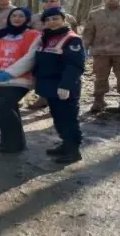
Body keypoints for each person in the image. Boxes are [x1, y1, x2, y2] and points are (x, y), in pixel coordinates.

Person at [0, 7, 42, 153]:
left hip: (19, 80)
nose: (17, 18)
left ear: (27, 19)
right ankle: (11, 142)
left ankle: (13, 145)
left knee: (5, 106)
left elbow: (30, 57)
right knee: (8, 109)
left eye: (21, 16)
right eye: (14, 15)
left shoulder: (34, 35)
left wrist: (10, 73)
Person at [31, 8, 86, 163]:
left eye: (55, 18)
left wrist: (66, 85)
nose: (51, 22)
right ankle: (65, 144)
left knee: (68, 118)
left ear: (63, 19)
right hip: (49, 85)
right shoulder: (45, 37)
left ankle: (73, 150)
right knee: (58, 117)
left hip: (64, 85)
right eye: (47, 20)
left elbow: (74, 66)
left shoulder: (71, 39)